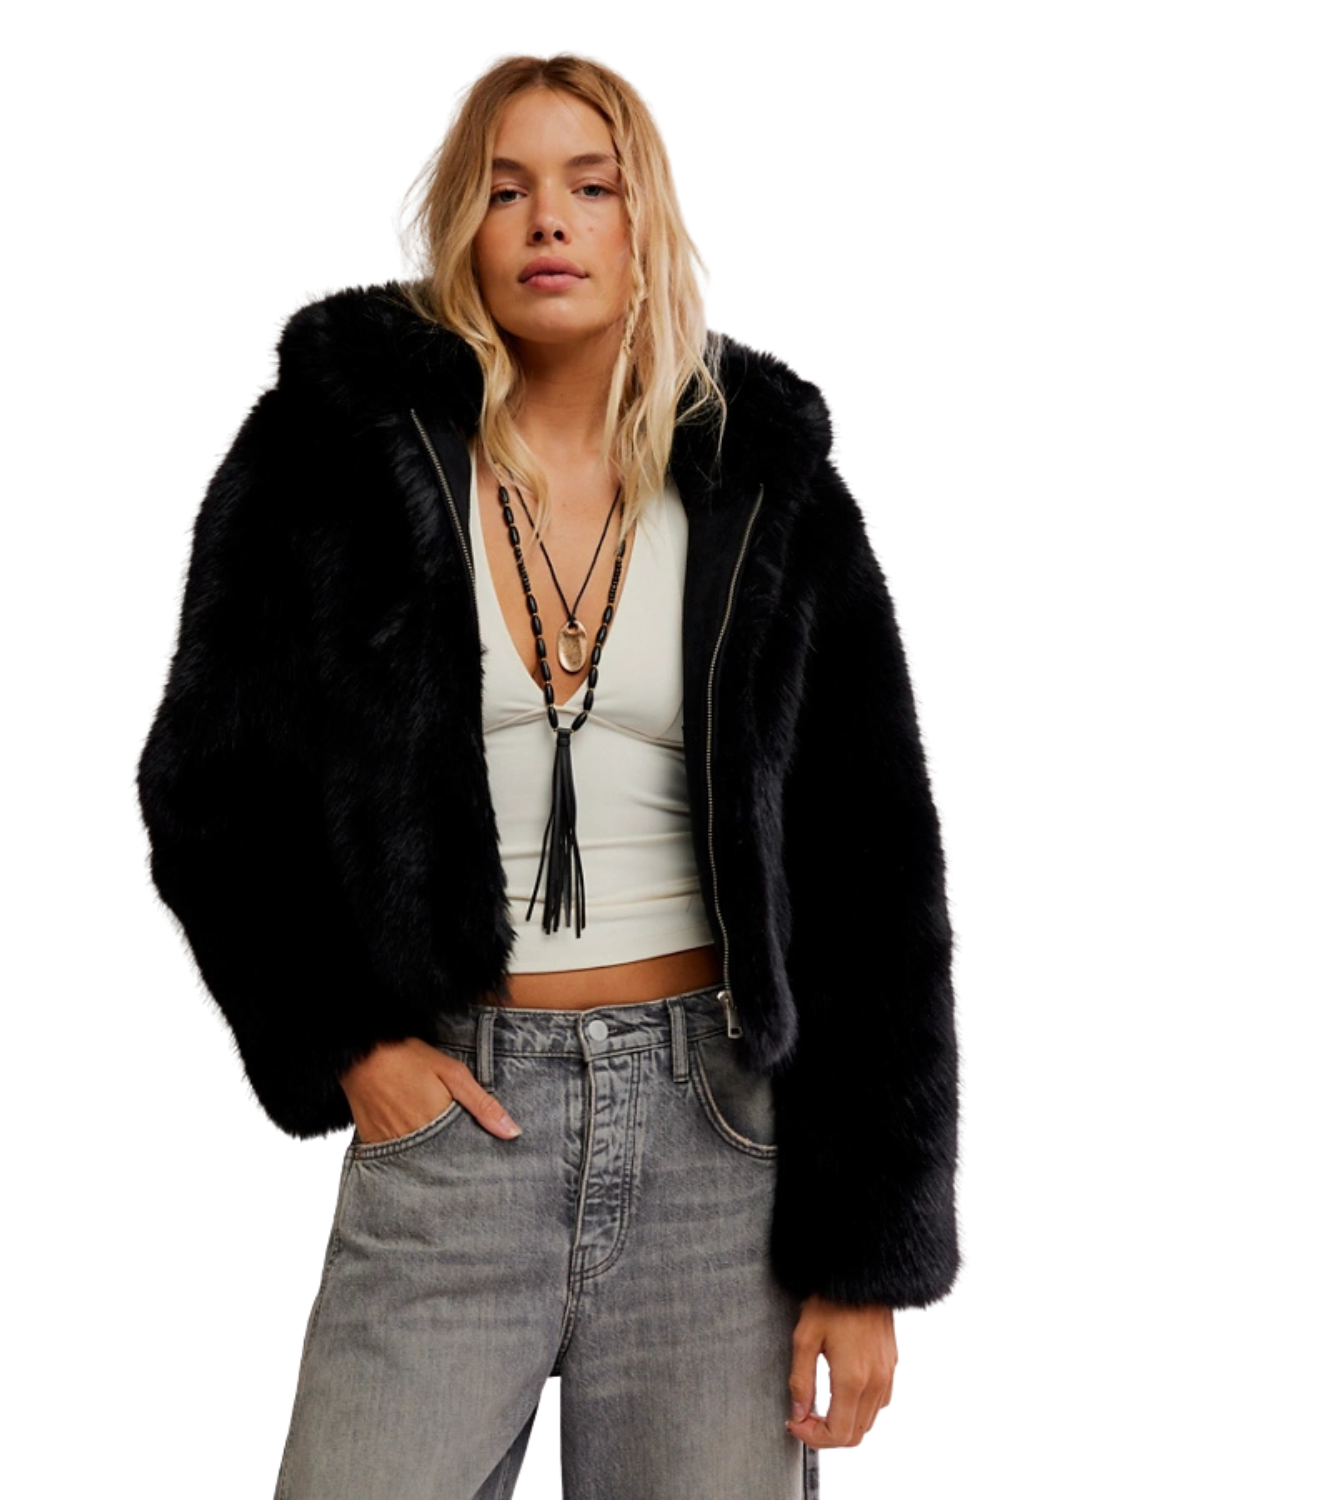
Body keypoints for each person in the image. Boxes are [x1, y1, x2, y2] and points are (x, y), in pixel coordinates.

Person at [136, 53, 959, 1500]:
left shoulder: (765, 485)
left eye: (592, 185)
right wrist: (348, 1045)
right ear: (461, 224)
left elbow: (871, 875)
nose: (549, 221)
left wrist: (865, 1255)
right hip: (460, 1123)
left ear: (646, 228)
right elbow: (210, 791)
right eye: (506, 189)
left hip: (721, 1144)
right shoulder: (334, 457)